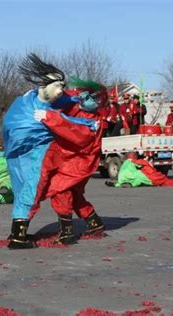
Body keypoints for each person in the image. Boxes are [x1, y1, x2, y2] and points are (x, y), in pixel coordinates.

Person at [3, 54, 93, 249]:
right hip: (36, 155)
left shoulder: (35, 99)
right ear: (44, 86)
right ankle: (18, 238)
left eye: (62, 86)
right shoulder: (37, 111)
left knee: (41, 187)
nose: (61, 90)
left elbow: (64, 103)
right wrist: (86, 123)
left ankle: (20, 232)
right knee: (32, 188)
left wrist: (76, 98)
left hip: (31, 154)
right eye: (58, 86)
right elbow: (65, 123)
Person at [33, 78, 108, 244]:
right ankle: (95, 223)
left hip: (78, 162)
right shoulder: (78, 106)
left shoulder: (94, 121)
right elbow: (63, 98)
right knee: (74, 194)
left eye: (94, 98)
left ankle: (66, 232)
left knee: (61, 189)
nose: (87, 99)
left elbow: (74, 132)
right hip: (69, 159)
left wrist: (49, 118)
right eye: (86, 95)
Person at [105, 152, 173, 188]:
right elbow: (145, 165)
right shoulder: (139, 162)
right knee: (166, 182)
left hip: (125, 178)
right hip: (151, 177)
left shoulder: (126, 163)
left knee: (134, 179)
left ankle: (120, 184)